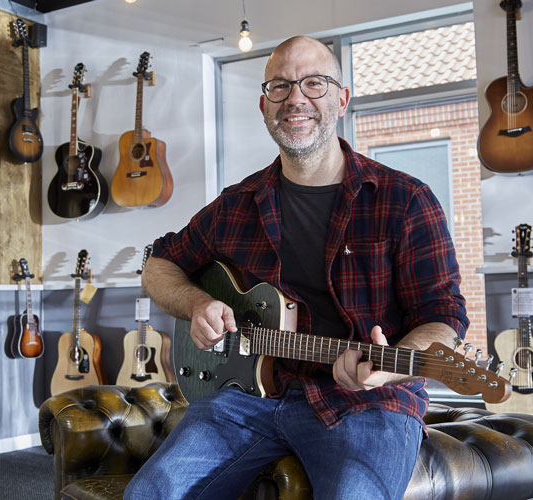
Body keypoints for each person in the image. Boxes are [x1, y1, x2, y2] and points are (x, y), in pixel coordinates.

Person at [125, 36, 468, 500]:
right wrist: (197, 302)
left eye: (314, 83)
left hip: (366, 403)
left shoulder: (404, 199)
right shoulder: (235, 205)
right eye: (280, 87)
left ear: (342, 99)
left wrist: (387, 370)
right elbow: (158, 263)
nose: (296, 99)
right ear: (264, 106)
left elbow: (443, 316)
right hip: (245, 396)